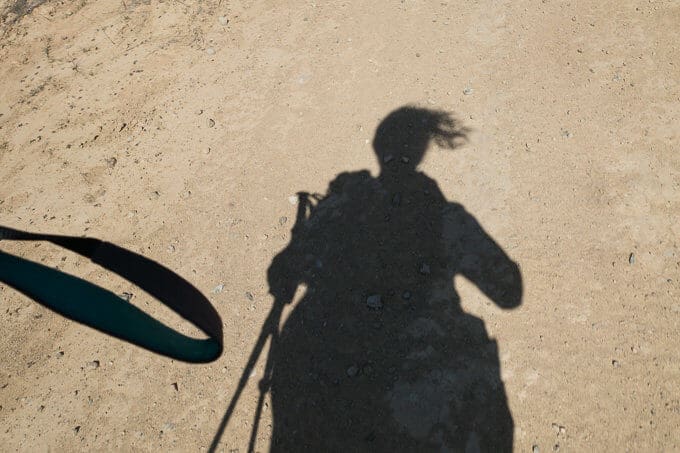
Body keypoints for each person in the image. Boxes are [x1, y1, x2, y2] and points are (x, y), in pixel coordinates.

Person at [266, 106, 522, 452]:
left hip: (339, 376)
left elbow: (281, 275)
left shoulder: (342, 207)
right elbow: (510, 292)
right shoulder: (446, 219)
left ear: (378, 149)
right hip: (427, 384)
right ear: (421, 155)